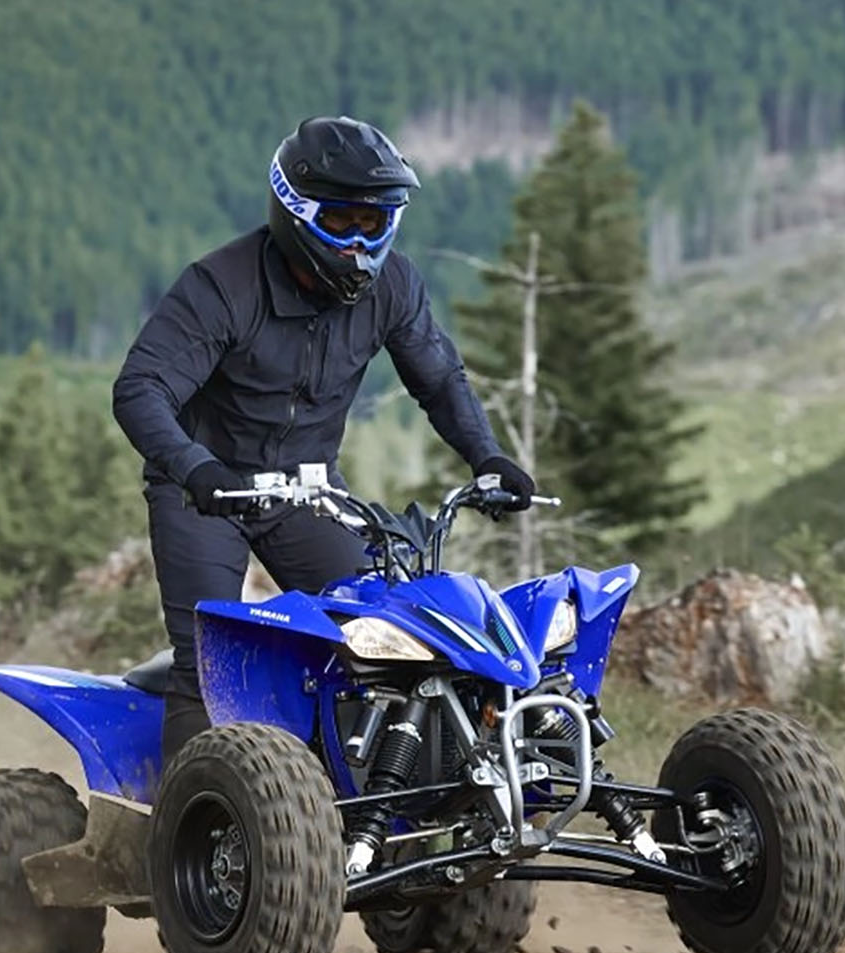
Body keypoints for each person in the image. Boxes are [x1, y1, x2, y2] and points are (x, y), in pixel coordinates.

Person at [112, 115, 535, 763]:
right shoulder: (222, 286)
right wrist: (192, 466)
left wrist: (488, 456)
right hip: (205, 491)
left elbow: (440, 379)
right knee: (210, 662)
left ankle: (361, 819)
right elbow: (141, 388)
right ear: (293, 211)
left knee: (385, 639)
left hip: (307, 489)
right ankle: (182, 841)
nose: (361, 240)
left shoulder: (394, 286)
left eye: (377, 220)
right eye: (341, 221)